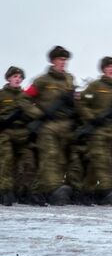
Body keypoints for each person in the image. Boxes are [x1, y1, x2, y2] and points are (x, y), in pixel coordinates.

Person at [26, 46, 77, 205]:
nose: (63, 63)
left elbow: (74, 100)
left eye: (65, 60)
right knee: (50, 158)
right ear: (52, 61)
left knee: (62, 160)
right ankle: (50, 191)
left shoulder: (69, 79)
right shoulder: (42, 80)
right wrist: (39, 114)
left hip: (66, 124)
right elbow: (24, 99)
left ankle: (44, 191)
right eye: (60, 60)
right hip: (47, 125)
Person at [76, 57, 112, 206]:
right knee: (100, 160)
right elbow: (82, 102)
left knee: (98, 163)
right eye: (109, 67)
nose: (111, 69)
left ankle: (85, 192)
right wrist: (92, 118)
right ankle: (107, 191)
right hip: (97, 129)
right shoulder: (95, 85)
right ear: (103, 69)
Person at [0, 67, 42, 205]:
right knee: (6, 161)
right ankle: (5, 191)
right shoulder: (2, 95)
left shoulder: (26, 96)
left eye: (20, 77)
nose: (17, 79)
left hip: (23, 133)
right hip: (6, 132)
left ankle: (24, 191)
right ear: (8, 78)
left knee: (29, 162)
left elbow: (33, 114)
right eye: (15, 76)